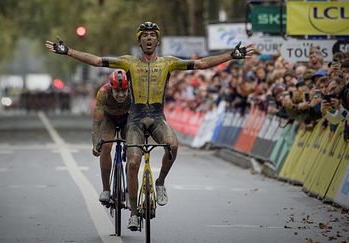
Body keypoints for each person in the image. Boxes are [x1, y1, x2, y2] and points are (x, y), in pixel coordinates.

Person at [45, 21, 255, 231]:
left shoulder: (168, 63)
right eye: (144, 36)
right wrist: (69, 51)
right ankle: (134, 214)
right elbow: (98, 60)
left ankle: (161, 182)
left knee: (172, 146)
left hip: (156, 117)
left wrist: (230, 55)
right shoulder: (129, 63)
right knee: (134, 162)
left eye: (152, 35)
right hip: (135, 119)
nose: (148, 39)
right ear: (139, 41)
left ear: (158, 40)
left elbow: (201, 64)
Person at [91, 70, 131, 204]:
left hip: (128, 118)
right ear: (111, 87)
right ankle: (106, 189)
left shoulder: (135, 91)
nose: (121, 95)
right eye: (117, 91)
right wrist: (96, 143)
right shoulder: (103, 92)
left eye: (124, 91)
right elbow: (97, 122)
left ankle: (129, 188)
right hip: (109, 119)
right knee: (106, 146)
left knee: (133, 149)